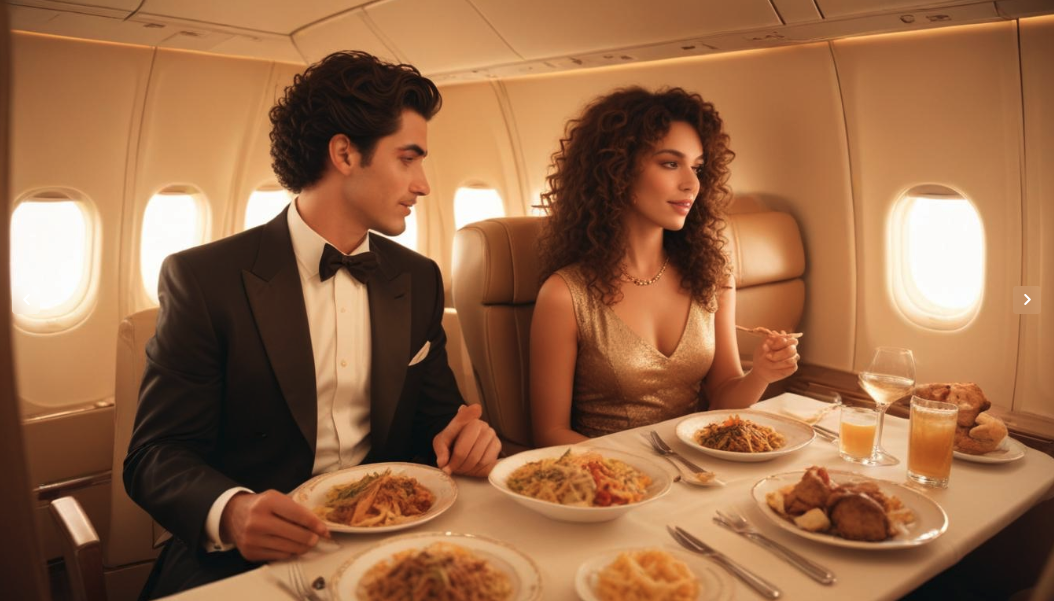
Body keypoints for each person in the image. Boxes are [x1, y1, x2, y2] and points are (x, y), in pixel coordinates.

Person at [124, 51, 500, 598]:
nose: (423, 185)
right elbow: (155, 455)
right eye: (408, 159)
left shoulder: (416, 278)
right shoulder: (205, 279)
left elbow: (438, 418)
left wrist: (465, 437)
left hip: (390, 532)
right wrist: (232, 513)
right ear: (345, 153)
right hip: (252, 554)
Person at [530, 87, 800, 446]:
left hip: (698, 470)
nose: (691, 184)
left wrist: (761, 375)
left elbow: (721, 396)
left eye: (697, 167)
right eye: (671, 164)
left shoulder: (712, 279)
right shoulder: (565, 295)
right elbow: (549, 434)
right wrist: (639, 474)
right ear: (618, 170)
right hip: (611, 483)